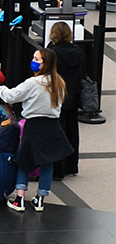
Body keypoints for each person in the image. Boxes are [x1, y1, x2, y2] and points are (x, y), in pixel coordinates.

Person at [0, 48, 73, 213]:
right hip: (52, 126)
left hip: (34, 125)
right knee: (47, 161)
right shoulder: (59, 82)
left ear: (45, 64)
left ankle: (20, 198)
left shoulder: (33, 82)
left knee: (25, 159)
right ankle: (40, 198)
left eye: (37, 59)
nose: (33, 61)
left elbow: (11, 96)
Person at [47, 21, 84, 179]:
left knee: (57, 131)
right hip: (74, 95)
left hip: (57, 96)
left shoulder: (53, 54)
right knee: (72, 130)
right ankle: (71, 165)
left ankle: (58, 169)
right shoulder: (78, 52)